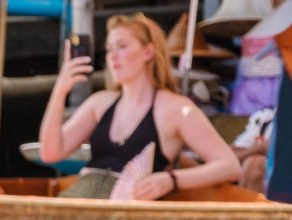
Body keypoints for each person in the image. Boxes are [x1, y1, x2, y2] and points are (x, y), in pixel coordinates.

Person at [40, 13, 241, 199]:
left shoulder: (176, 109)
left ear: (148, 51)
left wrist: (172, 180)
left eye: (122, 46)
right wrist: (60, 91)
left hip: (127, 218)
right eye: (110, 49)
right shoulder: (99, 103)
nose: (113, 56)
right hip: (79, 202)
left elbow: (230, 166)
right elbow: (50, 152)